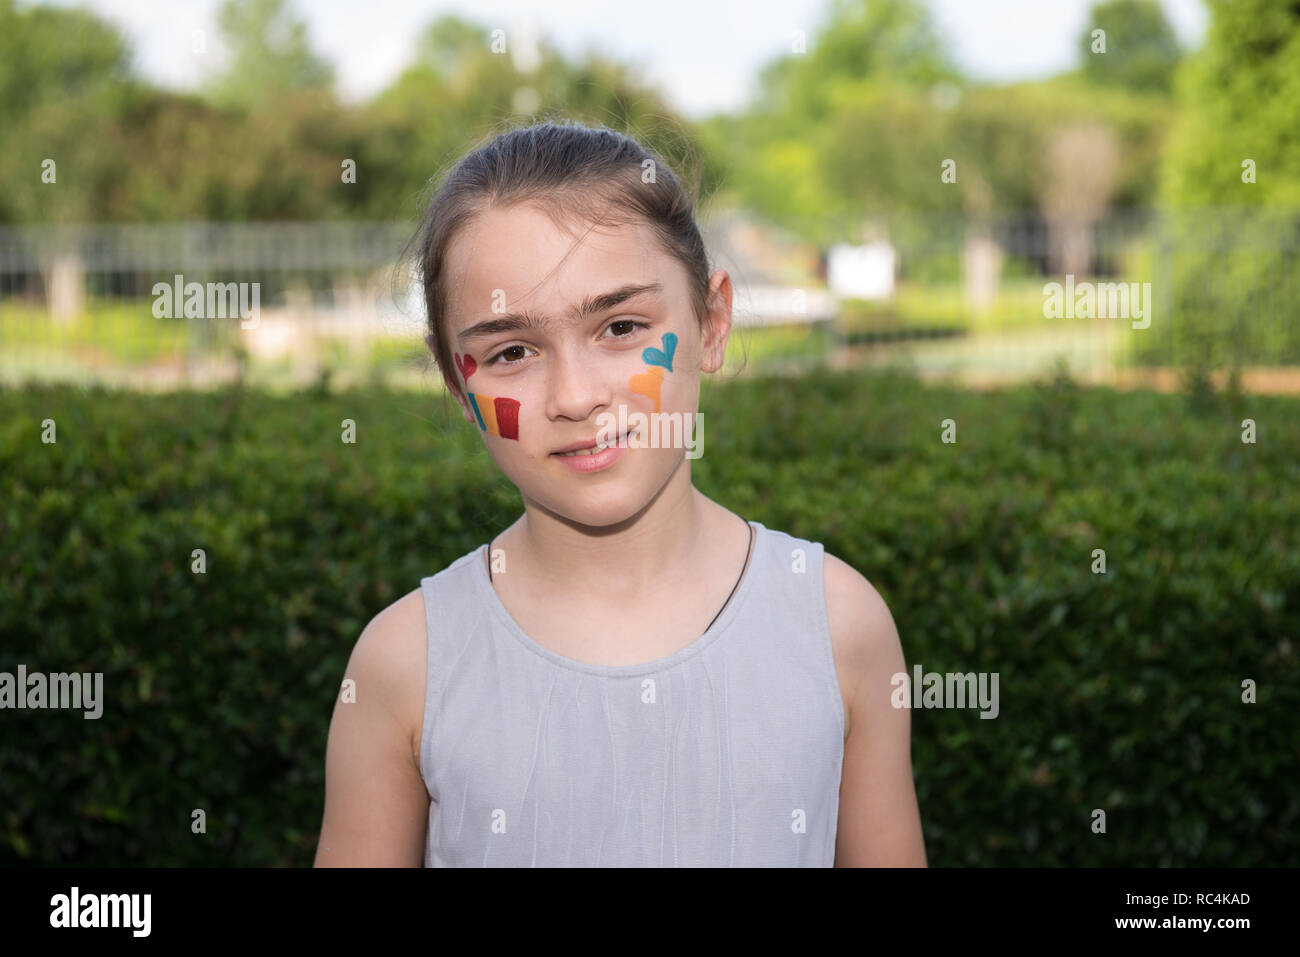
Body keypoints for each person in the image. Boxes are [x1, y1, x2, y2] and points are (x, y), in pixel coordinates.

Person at [314, 120, 926, 867]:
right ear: (456, 382)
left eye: (621, 326)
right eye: (511, 351)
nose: (575, 396)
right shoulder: (404, 663)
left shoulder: (839, 625)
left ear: (712, 321)